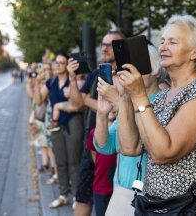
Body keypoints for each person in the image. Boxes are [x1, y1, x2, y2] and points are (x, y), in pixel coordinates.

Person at [117, 15, 196, 215]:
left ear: (194, 52)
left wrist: (138, 96)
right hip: (161, 207)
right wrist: (125, 96)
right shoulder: (160, 97)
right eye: (162, 41)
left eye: (173, 42)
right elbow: (130, 147)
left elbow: (164, 153)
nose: (163, 47)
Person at [94, 44, 162, 215]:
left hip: (148, 196)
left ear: (156, 70)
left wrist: (119, 101)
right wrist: (101, 115)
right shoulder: (128, 101)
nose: (130, 74)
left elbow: (133, 147)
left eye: (137, 68)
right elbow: (105, 146)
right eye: (126, 69)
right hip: (122, 191)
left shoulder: (163, 101)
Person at [67, 31, 125, 216]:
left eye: (111, 44)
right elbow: (77, 102)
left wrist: (115, 104)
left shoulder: (130, 77)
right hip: (92, 142)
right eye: (103, 43)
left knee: (109, 198)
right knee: (83, 195)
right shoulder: (96, 74)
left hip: (118, 148)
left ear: (122, 47)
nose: (104, 47)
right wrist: (72, 78)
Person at [34, 53, 84, 209]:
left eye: (61, 63)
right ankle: (63, 194)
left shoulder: (74, 80)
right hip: (56, 125)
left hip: (73, 121)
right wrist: (36, 82)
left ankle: (77, 195)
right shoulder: (51, 82)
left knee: (74, 161)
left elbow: (78, 104)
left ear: (68, 65)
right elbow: (38, 100)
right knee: (60, 161)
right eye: (56, 63)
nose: (58, 65)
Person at [86, 109, 117, 216]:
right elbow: (95, 156)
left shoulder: (122, 131)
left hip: (117, 187)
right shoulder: (93, 133)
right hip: (101, 186)